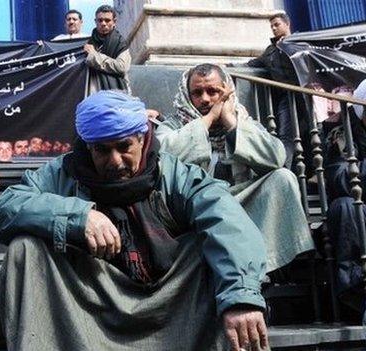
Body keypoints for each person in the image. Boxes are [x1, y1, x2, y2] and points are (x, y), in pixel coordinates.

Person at [0, 90, 269, 350]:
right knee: (25, 248)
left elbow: (226, 218)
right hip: (89, 299)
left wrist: (241, 297)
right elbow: (7, 207)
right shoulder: (62, 173)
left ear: (142, 138)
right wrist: (78, 216)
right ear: (88, 148)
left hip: (171, 298)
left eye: (124, 146)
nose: (114, 160)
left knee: (209, 243)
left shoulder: (176, 174)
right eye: (102, 150)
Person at [155, 63, 314, 272]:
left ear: (227, 92)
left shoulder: (243, 120)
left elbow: (276, 157)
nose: (205, 99)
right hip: (197, 207)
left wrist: (231, 122)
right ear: (187, 94)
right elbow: (163, 158)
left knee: (283, 177)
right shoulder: (173, 126)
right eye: (197, 93)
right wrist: (208, 119)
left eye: (213, 92)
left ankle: (256, 268)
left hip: (239, 202)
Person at [324, 79, 366, 324]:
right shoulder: (342, 134)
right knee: (346, 206)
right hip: (359, 217)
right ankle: (359, 292)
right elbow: (339, 179)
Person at [239, 13, 299, 168]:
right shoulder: (271, 50)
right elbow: (253, 63)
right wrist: (226, 66)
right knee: (286, 135)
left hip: (306, 95)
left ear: (287, 24)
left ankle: (317, 177)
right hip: (286, 97)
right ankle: (284, 171)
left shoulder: (300, 42)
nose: (273, 28)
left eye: (277, 24)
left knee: (315, 132)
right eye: (271, 26)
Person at [84, 5, 131, 93]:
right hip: (92, 92)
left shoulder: (120, 43)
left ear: (114, 22)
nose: (103, 23)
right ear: (95, 21)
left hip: (116, 93)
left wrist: (94, 56)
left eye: (107, 20)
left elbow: (121, 67)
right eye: (100, 20)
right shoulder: (88, 43)